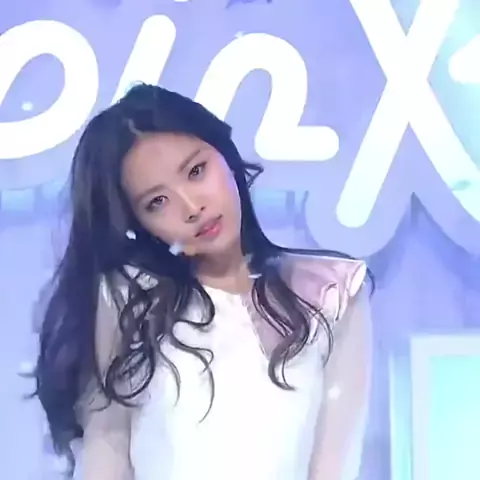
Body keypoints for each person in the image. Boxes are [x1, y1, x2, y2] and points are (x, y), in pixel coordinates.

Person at [34, 84, 372, 480]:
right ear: (137, 223)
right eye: (157, 202)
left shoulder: (330, 292)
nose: (193, 207)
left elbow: (336, 458)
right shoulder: (130, 300)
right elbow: (107, 444)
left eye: (196, 171)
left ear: (226, 156)